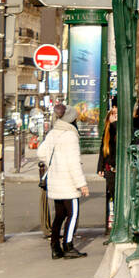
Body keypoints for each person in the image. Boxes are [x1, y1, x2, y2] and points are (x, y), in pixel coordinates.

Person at [37, 103, 90, 259]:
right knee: (72, 214)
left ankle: (55, 247)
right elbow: (74, 163)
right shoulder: (70, 136)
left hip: (55, 181)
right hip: (68, 183)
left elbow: (41, 152)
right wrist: (82, 184)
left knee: (59, 215)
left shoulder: (53, 133)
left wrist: (53, 165)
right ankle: (68, 246)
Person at [96, 99, 119, 238]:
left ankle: (114, 226)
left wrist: (114, 124)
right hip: (110, 170)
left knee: (116, 198)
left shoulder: (118, 129)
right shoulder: (108, 130)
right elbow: (103, 149)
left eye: (117, 115)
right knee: (110, 199)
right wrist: (100, 167)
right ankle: (109, 226)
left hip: (117, 169)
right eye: (113, 114)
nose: (115, 117)